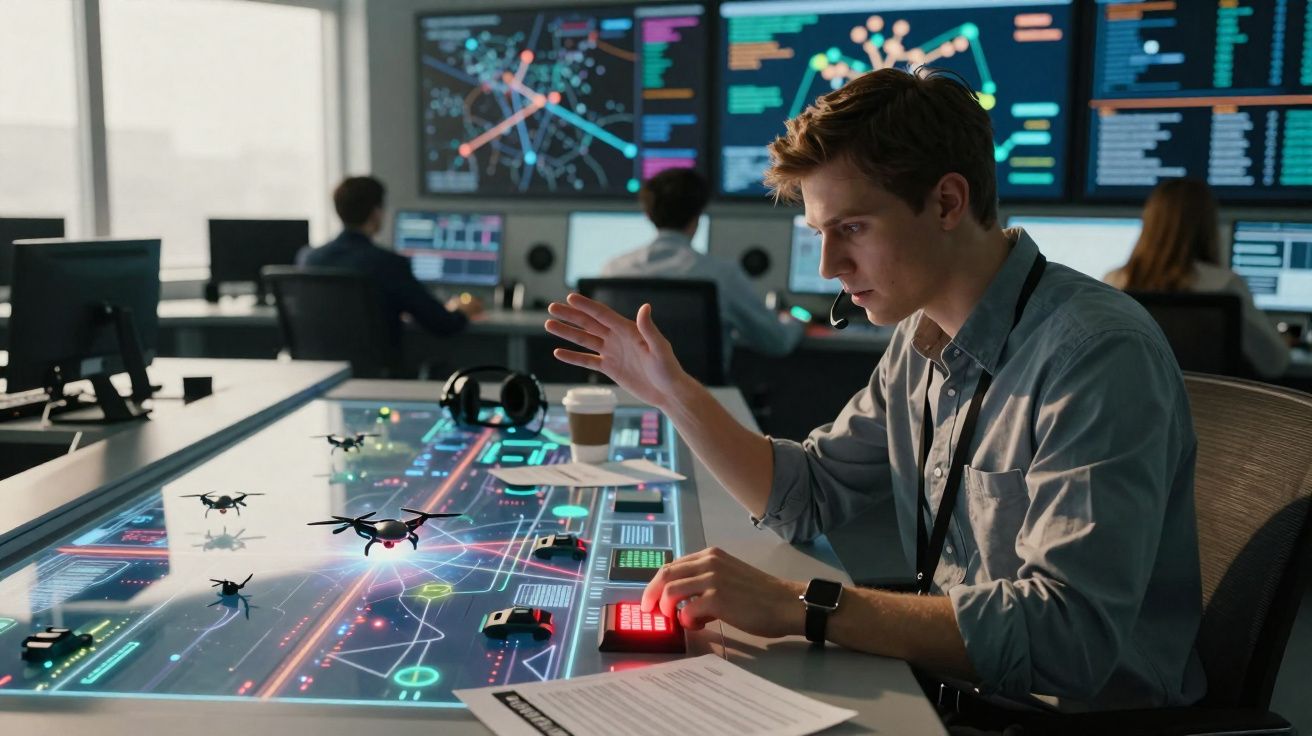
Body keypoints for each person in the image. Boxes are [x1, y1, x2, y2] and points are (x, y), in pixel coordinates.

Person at [545, 67, 1206, 721]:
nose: (829, 266)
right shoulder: (919, 338)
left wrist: (801, 603)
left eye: (852, 228)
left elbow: (1066, 640)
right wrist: (674, 393)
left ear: (948, 202)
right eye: (819, 235)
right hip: (953, 689)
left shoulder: (1095, 355)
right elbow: (804, 495)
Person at [600, 167, 803, 370]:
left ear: (648, 214)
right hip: (699, 397)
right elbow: (777, 342)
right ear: (698, 214)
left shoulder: (613, 270)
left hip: (624, 396)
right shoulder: (722, 276)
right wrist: (794, 321)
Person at [1104, 178, 1290, 378]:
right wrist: (1284, 342)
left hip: (1137, 404)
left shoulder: (1114, 281)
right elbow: (1274, 363)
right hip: (1210, 405)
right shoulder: (1224, 284)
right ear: (1207, 226)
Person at [298, 176, 482, 349]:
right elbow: (442, 324)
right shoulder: (389, 264)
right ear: (376, 213)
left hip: (324, 373)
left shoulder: (309, 258)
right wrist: (463, 310)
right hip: (377, 376)